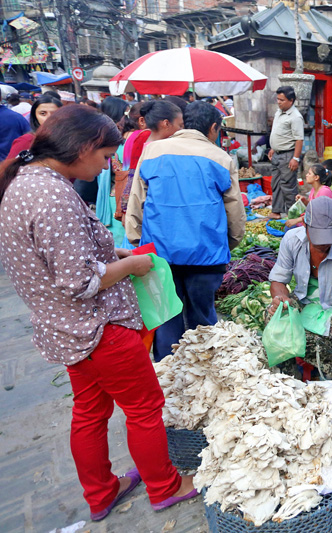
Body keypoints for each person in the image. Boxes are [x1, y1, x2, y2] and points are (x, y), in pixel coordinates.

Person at [0, 105, 197, 520]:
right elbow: (80, 282)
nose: (108, 165)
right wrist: (132, 265)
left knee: (89, 412)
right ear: (83, 146)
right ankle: (165, 486)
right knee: (144, 409)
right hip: (99, 329)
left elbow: (64, 260)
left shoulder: (26, 182)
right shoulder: (52, 194)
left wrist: (113, 253)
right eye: (106, 156)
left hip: (65, 331)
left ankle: (102, 493)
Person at [126, 101, 246, 361]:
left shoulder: (152, 151)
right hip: (206, 253)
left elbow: (136, 202)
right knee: (202, 316)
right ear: (213, 128)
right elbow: (234, 212)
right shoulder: (220, 157)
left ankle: (169, 374)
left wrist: (137, 240)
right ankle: (204, 372)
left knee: (166, 316)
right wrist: (231, 243)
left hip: (160, 253)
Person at [267, 197, 332, 377]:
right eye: (317, 239)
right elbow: (278, 280)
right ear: (305, 226)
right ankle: (289, 374)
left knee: (315, 341)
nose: (323, 245)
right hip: (305, 299)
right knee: (274, 318)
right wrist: (280, 298)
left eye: (327, 239)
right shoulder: (292, 240)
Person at [118, 100, 183, 231]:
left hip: (142, 207)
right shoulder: (171, 147)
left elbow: (132, 176)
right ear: (166, 124)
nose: (182, 129)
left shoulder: (141, 137)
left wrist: (126, 209)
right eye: (180, 125)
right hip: (160, 211)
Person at [268, 86, 304, 219]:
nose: (278, 102)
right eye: (278, 99)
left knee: (288, 186)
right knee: (276, 183)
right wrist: (273, 148)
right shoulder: (279, 112)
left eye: (281, 100)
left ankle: (293, 215)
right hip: (277, 154)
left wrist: (296, 158)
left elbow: (299, 139)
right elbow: (278, 132)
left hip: (288, 155)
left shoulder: (295, 117)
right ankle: (276, 211)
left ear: (291, 100)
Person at [5, 93, 63, 160]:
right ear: (35, 116)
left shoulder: (70, 139)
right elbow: (9, 168)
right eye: (43, 113)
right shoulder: (27, 141)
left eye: (55, 113)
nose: (49, 117)